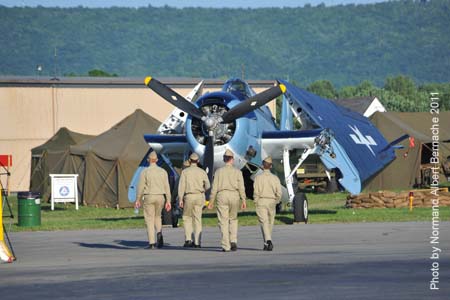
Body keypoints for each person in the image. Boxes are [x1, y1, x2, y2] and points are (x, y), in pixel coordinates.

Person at [208, 149, 246, 252]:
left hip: (222, 195)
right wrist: (243, 200)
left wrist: (211, 201)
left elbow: (214, 187)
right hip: (234, 195)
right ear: (232, 160)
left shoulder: (218, 172)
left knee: (223, 221)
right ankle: (233, 240)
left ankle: (226, 245)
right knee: (233, 219)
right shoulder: (238, 172)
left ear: (224, 159)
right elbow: (241, 187)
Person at [135, 151, 171, 249]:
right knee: (158, 217)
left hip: (149, 196)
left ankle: (152, 243)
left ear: (148, 160)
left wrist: (138, 199)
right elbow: (167, 187)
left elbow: (140, 187)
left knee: (149, 219)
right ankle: (159, 234)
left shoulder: (145, 172)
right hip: (160, 196)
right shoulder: (163, 172)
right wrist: (168, 200)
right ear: (157, 160)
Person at [178, 153, 210, 248]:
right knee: (197, 219)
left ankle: (188, 240)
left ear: (189, 161)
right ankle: (197, 242)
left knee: (187, 217)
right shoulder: (202, 172)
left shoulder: (185, 172)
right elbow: (208, 185)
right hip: (199, 196)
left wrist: (180, 198)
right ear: (198, 161)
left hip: (189, 196)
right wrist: (202, 190)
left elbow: (181, 186)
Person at [253, 156, 282, 251]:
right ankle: (266, 243)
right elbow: (279, 193)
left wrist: (256, 201)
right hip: (271, 201)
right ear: (270, 166)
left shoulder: (258, 178)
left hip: (261, 201)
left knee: (264, 222)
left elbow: (256, 192)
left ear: (262, 165)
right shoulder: (275, 178)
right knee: (270, 223)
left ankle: (268, 241)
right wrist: (276, 201)